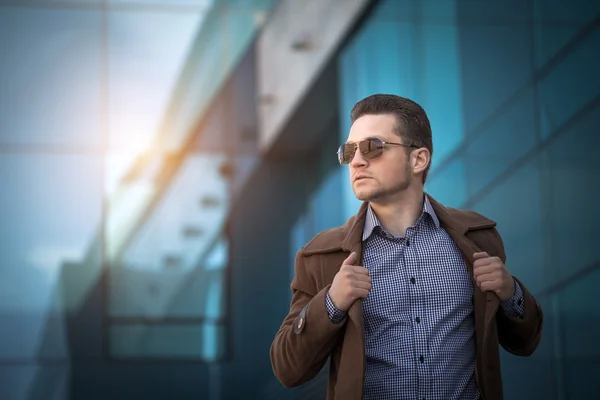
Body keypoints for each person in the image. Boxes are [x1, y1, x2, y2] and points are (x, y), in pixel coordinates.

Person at [270, 94, 543, 400]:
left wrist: (511, 293)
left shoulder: (478, 238)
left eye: (373, 147)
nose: (357, 161)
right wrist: (332, 303)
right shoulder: (321, 256)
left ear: (418, 159)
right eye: (348, 151)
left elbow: (526, 341)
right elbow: (287, 368)